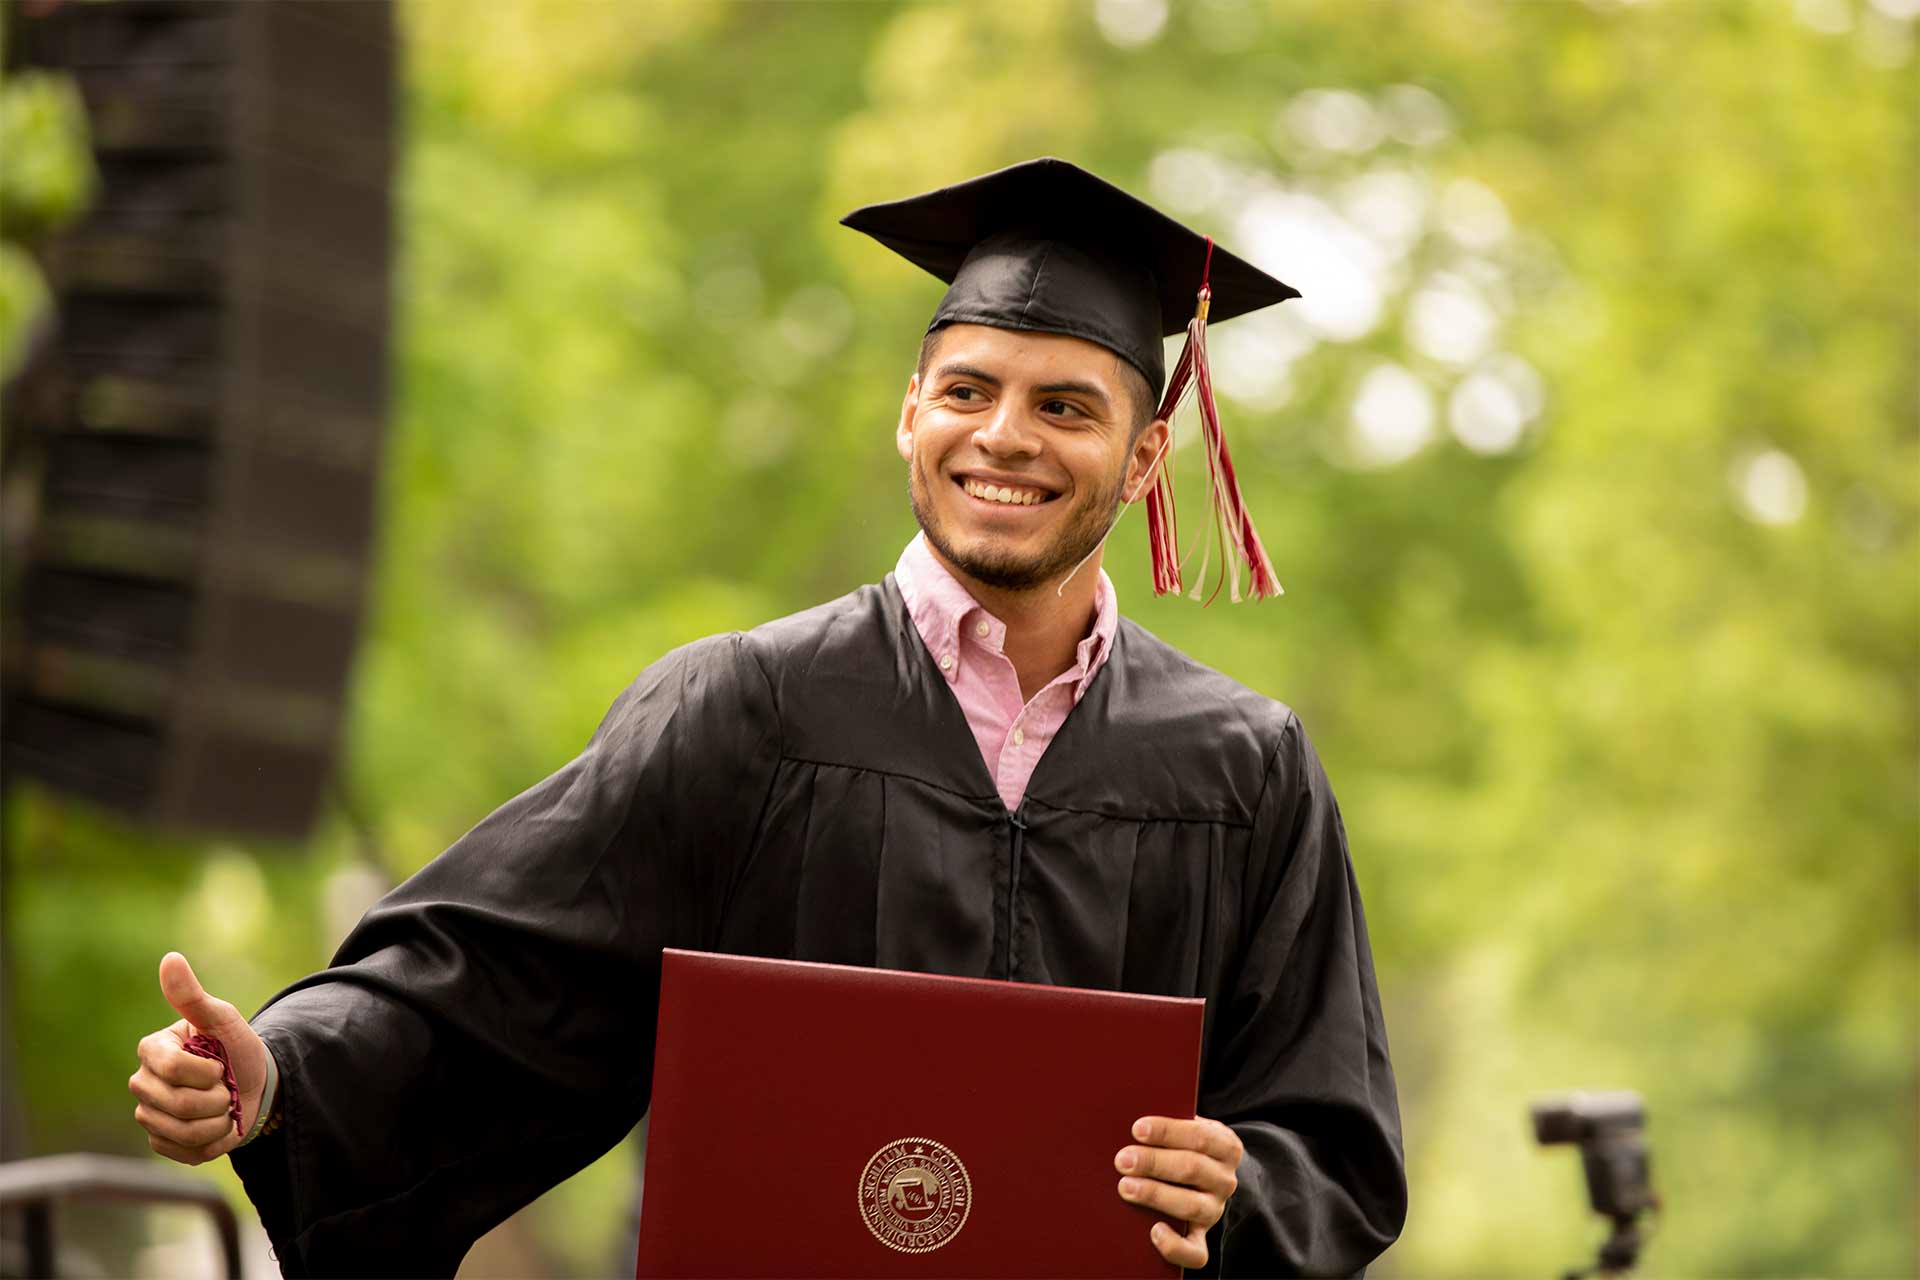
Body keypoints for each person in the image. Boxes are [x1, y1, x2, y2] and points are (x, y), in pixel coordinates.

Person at [127, 158, 1407, 1277]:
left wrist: (1238, 1191)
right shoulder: (746, 707)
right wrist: (284, 1071)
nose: (1003, 436)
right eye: (968, 390)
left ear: (1140, 460)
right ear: (912, 414)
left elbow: (1328, 1128)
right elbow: (493, 973)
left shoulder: (1242, 767)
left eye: (1065, 405)